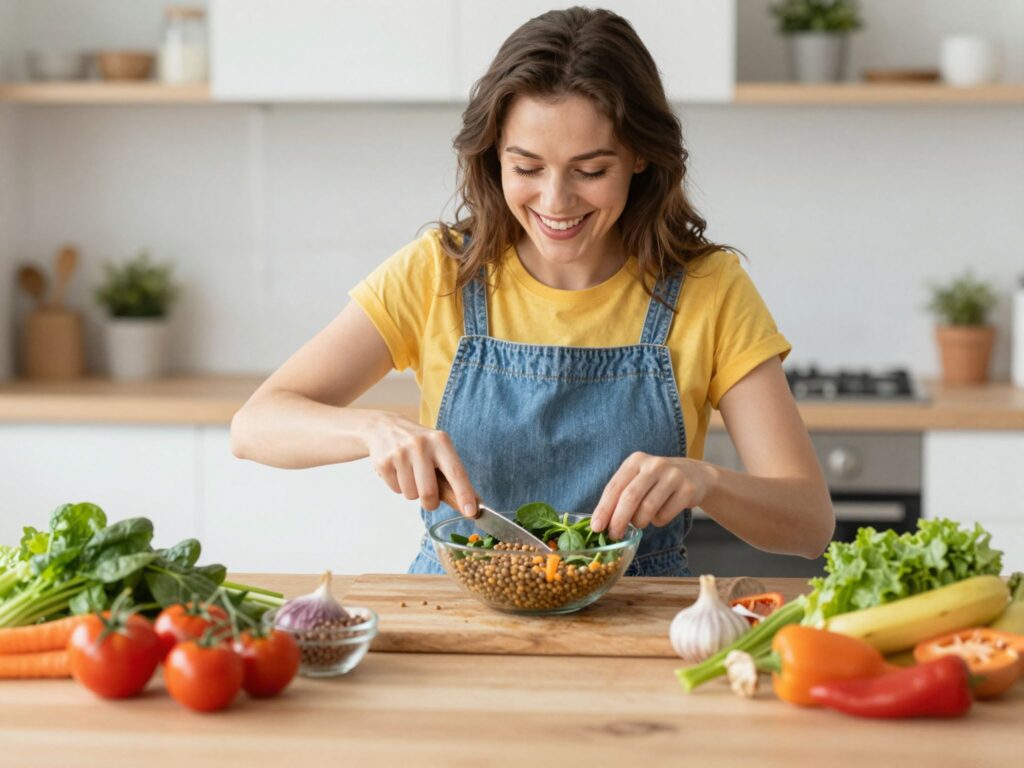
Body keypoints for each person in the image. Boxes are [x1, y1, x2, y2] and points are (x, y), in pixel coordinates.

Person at [230, 7, 834, 576]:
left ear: (642, 158)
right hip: (455, 614)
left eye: (591, 171)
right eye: (526, 168)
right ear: (493, 157)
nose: (555, 201)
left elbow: (809, 523)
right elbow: (256, 424)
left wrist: (708, 482)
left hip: (634, 629)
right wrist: (369, 432)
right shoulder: (437, 274)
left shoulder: (709, 291)